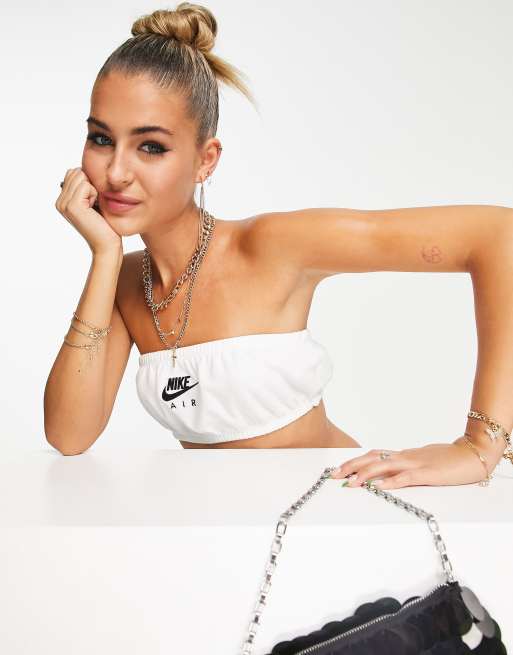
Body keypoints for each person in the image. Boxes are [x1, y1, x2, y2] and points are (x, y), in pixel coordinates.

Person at [44, 3, 513, 490]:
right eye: (101, 139)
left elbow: (499, 236)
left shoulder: (270, 246)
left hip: (332, 507)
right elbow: (69, 435)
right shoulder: (126, 283)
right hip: (220, 528)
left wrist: (481, 447)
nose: (116, 172)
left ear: (206, 160)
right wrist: (104, 255)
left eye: (151, 146)